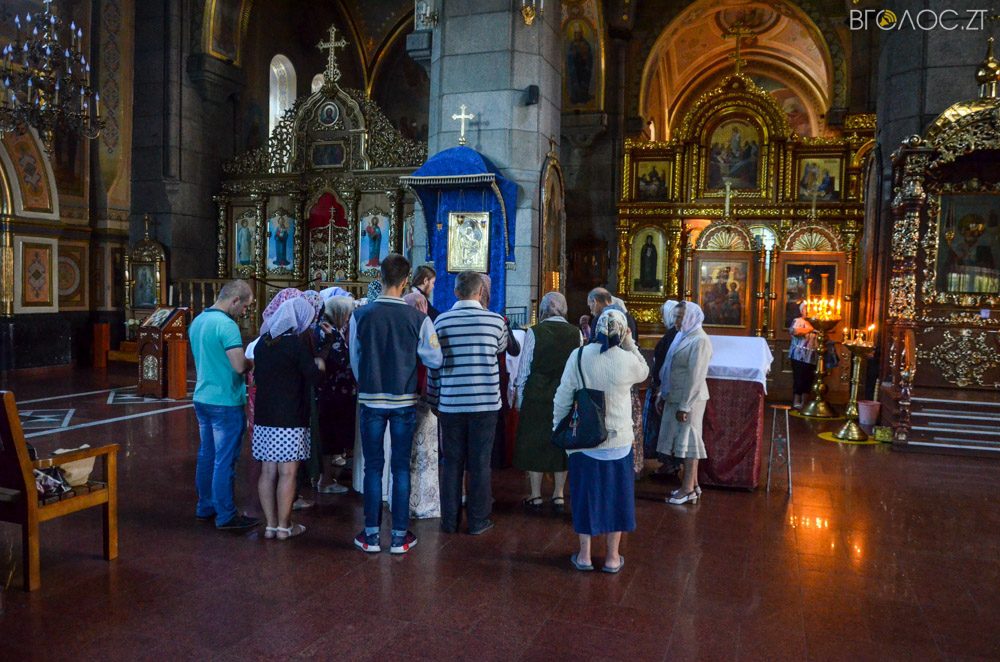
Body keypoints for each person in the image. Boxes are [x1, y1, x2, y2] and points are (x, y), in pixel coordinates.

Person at [350, 254, 442, 554]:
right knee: (400, 467)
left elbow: (355, 359)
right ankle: (400, 536)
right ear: (405, 282)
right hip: (404, 399)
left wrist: (368, 382)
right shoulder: (418, 318)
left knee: (373, 467)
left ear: (381, 277)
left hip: (370, 398)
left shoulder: (360, 315)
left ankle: (371, 535)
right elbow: (435, 358)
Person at [553, 310, 648, 573]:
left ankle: (584, 556)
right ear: (623, 330)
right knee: (617, 498)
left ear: (594, 328)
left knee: (585, 497)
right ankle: (612, 557)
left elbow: (563, 396)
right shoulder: (627, 360)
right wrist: (630, 344)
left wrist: (559, 429)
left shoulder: (579, 355)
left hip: (585, 440)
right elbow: (644, 370)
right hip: (619, 442)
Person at [429, 271, 508, 535]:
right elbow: (500, 349)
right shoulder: (495, 321)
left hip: (451, 402)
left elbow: (434, 364)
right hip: (485, 404)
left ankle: (449, 521)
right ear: (480, 292)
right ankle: (478, 521)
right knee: (480, 463)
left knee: (451, 463)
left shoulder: (441, 321)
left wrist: (433, 398)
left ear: (456, 292)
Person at [252, 298, 326, 540]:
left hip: (264, 416)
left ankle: (270, 526)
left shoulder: (263, 343)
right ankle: (285, 527)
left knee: (267, 472)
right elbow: (313, 377)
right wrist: (320, 364)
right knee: (288, 473)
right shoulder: (295, 344)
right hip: (290, 417)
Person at [189, 280, 258, 530]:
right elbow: (238, 366)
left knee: (206, 455)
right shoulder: (227, 326)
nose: (244, 312)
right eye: (245, 306)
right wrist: (251, 362)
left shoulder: (199, 320)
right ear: (235, 300)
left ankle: (205, 505)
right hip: (225, 401)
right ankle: (226, 514)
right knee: (225, 460)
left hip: (202, 397)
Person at [513, 292, 582, 514]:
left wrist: (520, 398)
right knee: (562, 444)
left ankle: (535, 495)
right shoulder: (576, 333)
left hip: (537, 395)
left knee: (535, 443)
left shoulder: (535, 332)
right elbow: (578, 368)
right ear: (564, 309)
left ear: (543, 309)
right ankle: (559, 494)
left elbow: (525, 367)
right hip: (566, 395)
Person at [657, 302, 713, 505]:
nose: (676, 320)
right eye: (676, 316)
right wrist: (662, 393)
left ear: (691, 317)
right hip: (676, 395)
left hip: (690, 399)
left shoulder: (700, 340)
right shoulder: (684, 335)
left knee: (689, 444)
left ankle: (687, 489)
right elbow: (669, 366)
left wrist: (685, 406)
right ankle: (694, 486)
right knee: (684, 442)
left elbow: (696, 376)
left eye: (680, 316)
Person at [402, 292, 441, 519]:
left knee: (403, 454)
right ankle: (424, 502)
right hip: (423, 394)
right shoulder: (426, 324)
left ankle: (402, 501)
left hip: (402, 394)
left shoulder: (400, 323)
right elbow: (435, 359)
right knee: (425, 452)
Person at [315, 295, 356, 491]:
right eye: (347, 314)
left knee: (331, 438)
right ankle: (326, 480)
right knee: (329, 438)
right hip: (332, 394)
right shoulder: (328, 331)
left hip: (334, 393)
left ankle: (326, 478)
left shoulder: (329, 328)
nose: (348, 318)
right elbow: (338, 361)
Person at [644, 300, 680, 466]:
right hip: (662, 385)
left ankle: (669, 464)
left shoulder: (673, 335)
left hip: (663, 387)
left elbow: (664, 362)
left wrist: (658, 386)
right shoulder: (674, 334)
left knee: (664, 427)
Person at [789, 302, 819, 410]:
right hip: (798, 355)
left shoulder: (817, 322)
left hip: (811, 356)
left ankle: (805, 403)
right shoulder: (797, 321)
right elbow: (794, 331)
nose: (808, 311)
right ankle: (796, 402)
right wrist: (810, 329)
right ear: (801, 311)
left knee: (808, 379)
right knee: (799, 378)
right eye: (806, 309)